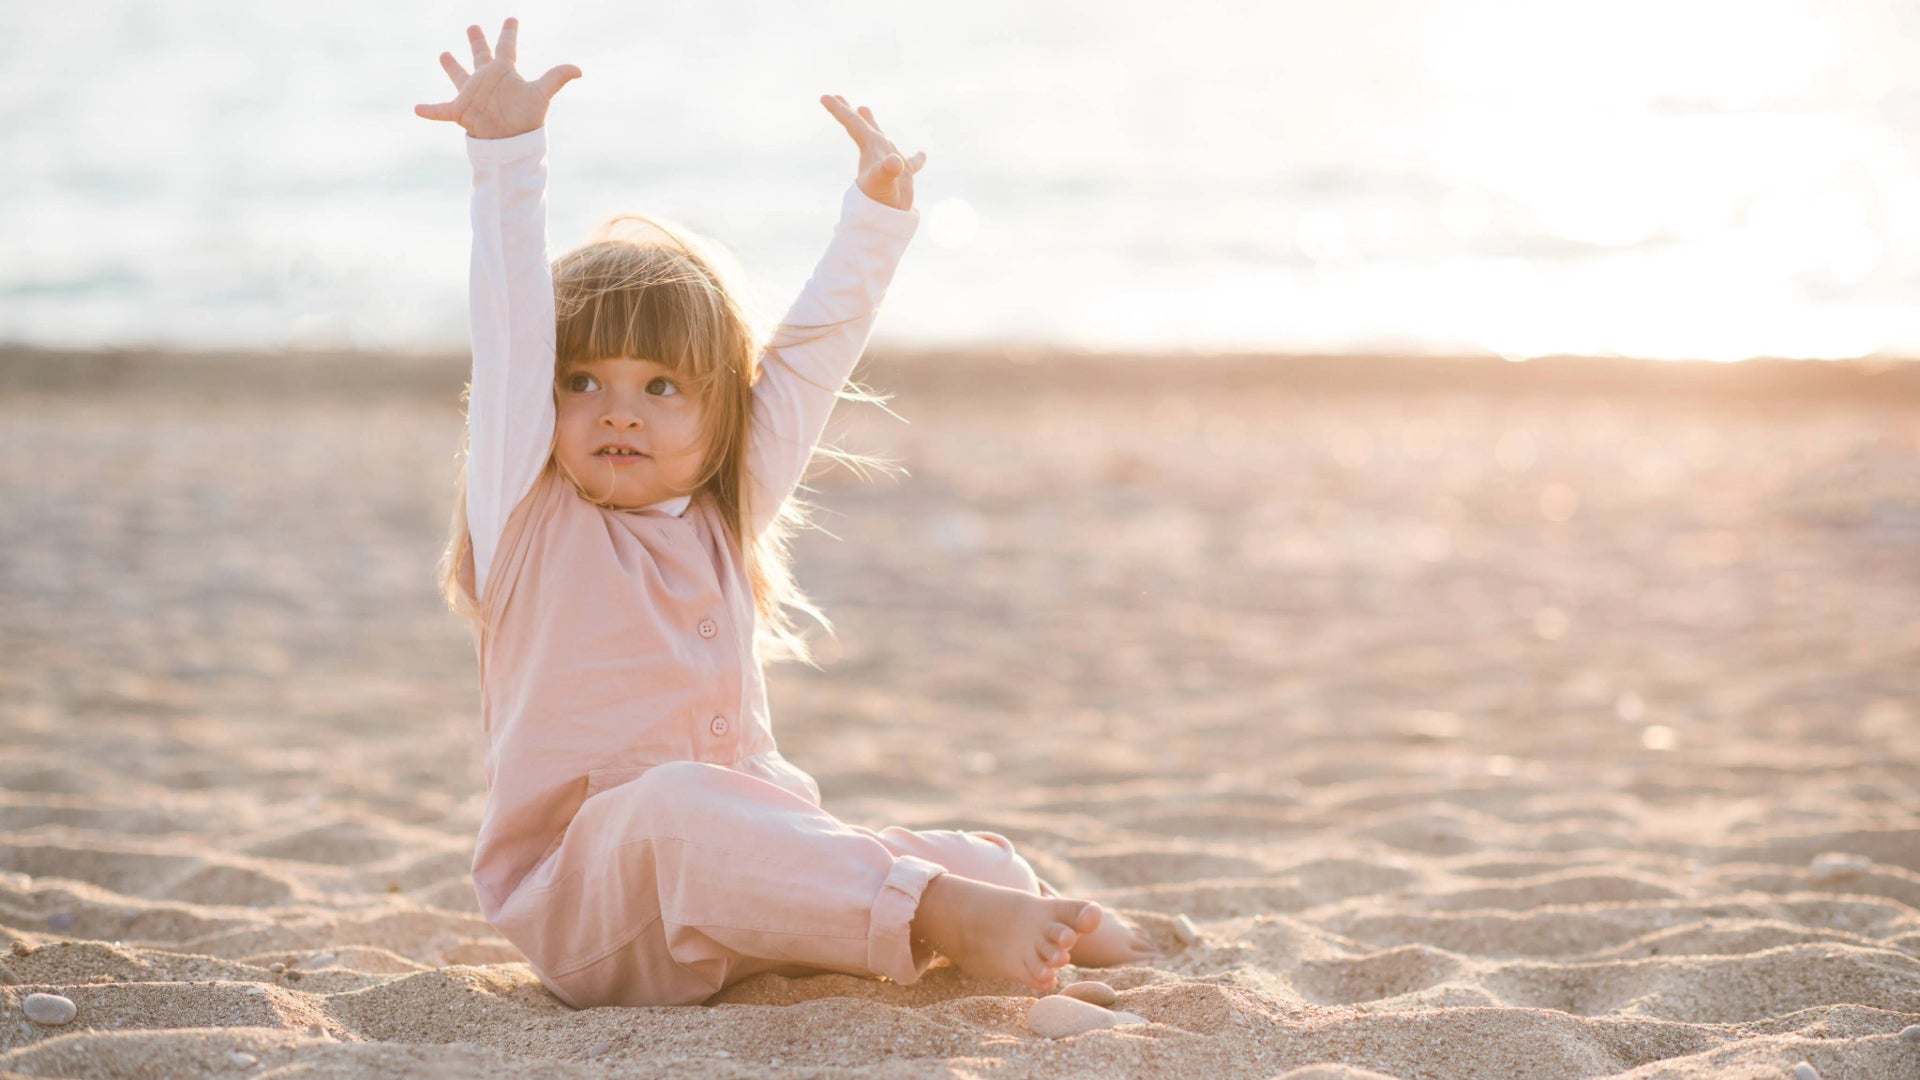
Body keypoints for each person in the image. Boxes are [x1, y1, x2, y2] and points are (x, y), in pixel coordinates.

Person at [415, 17, 1157, 1009]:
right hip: (592, 910)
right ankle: (945, 915)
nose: (620, 408)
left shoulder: (723, 511)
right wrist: (506, 154)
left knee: (948, 854)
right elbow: (508, 332)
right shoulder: (527, 514)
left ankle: (999, 896)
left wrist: (875, 219)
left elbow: (806, 363)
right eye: (583, 380)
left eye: (663, 387)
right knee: (677, 805)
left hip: (745, 887)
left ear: (723, 412)